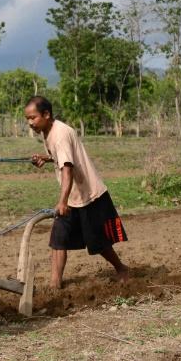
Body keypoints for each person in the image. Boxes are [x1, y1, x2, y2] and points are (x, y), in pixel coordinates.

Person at [24, 95, 130, 288]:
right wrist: (47, 158)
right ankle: (55, 285)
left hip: (89, 195)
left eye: (33, 118)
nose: (30, 123)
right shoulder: (49, 131)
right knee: (58, 239)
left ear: (46, 114)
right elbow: (61, 157)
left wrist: (62, 201)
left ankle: (121, 268)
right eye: (28, 119)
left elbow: (67, 168)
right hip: (73, 196)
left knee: (98, 242)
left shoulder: (60, 134)